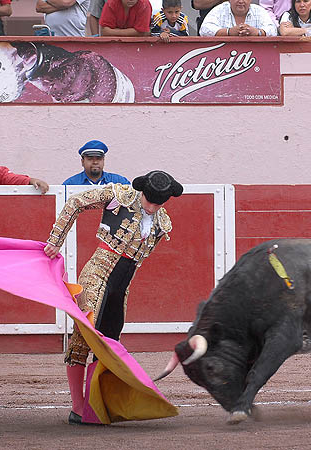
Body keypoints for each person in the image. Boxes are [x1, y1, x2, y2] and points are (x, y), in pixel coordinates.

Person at [43, 170, 183, 425]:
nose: (152, 207)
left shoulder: (163, 222)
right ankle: (77, 408)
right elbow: (75, 202)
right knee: (84, 337)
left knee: (109, 344)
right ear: (142, 192)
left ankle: (95, 407)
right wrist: (55, 240)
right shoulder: (118, 195)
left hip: (122, 286)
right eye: (149, 200)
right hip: (97, 274)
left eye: (158, 203)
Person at [62, 140, 130, 186]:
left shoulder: (119, 182)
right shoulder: (71, 184)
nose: (95, 162)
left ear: (103, 160)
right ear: (82, 162)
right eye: (90, 159)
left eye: (99, 159)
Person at [199, 0, 278, 36]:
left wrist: (257, 32)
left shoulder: (259, 10)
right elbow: (204, 30)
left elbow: (273, 30)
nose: (241, 1)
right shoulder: (220, 9)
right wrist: (228, 32)